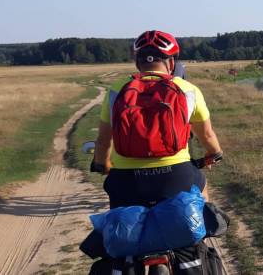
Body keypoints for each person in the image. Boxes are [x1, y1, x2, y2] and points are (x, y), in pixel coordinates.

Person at [91, 30, 222, 208]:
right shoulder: (188, 89)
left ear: (138, 62)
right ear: (171, 62)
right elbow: (206, 135)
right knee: (202, 188)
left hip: (127, 180)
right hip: (175, 176)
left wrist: (102, 163)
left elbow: (103, 141)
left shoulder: (116, 90)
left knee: (117, 225)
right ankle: (202, 233)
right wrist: (214, 153)